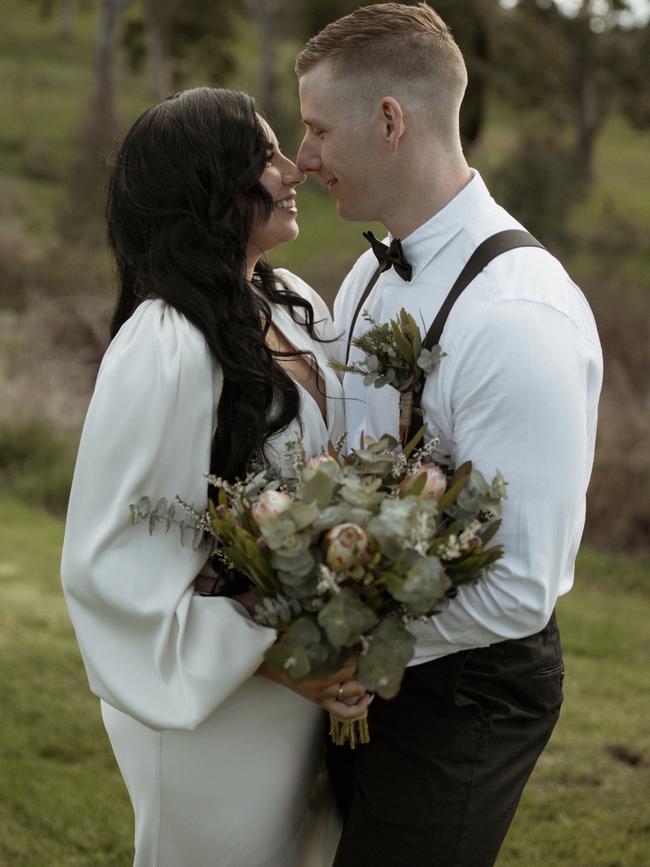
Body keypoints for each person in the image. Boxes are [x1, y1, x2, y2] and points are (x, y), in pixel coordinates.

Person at [295, 3, 603, 866]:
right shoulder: (365, 273)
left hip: (469, 687)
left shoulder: (518, 317)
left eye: (318, 128)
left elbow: (519, 585)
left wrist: (346, 651)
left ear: (389, 121)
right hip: (373, 669)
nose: (303, 155)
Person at [60, 86, 369, 867]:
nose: (292, 166)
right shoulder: (165, 342)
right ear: (210, 185)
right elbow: (114, 564)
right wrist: (278, 656)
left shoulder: (293, 302)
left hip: (305, 686)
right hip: (216, 700)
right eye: (264, 155)